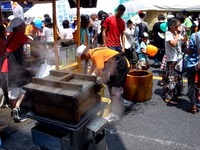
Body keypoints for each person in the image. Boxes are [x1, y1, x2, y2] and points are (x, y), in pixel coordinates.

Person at [1, 18, 42, 122]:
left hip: (8, 66)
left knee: (24, 84)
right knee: (16, 90)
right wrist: (45, 50)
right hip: (12, 68)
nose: (25, 28)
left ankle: (15, 109)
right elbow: (33, 43)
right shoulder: (19, 35)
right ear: (19, 27)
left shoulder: (11, 35)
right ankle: (16, 110)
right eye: (23, 26)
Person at [76, 45, 130, 121]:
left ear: (85, 54)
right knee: (110, 84)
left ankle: (115, 114)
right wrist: (88, 77)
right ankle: (120, 106)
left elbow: (100, 70)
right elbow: (93, 67)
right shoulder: (94, 52)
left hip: (120, 64)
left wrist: (96, 80)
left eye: (83, 58)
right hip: (115, 64)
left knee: (116, 88)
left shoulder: (95, 54)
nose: (84, 59)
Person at [163, 18, 181, 104]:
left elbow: (184, 40)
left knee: (176, 78)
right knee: (171, 79)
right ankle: (168, 98)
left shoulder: (174, 33)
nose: (178, 26)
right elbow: (173, 44)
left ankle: (174, 95)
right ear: (172, 26)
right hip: (171, 59)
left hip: (176, 59)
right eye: (177, 25)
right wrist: (178, 33)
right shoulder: (168, 33)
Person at [186, 31, 200, 114]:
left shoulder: (194, 36)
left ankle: (193, 105)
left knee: (191, 84)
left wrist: (186, 50)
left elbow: (190, 50)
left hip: (192, 63)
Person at [0, 25, 9, 107]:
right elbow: (5, 51)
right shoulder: (1, 41)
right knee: (2, 82)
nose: (6, 33)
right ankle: (2, 103)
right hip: (1, 62)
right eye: (4, 32)